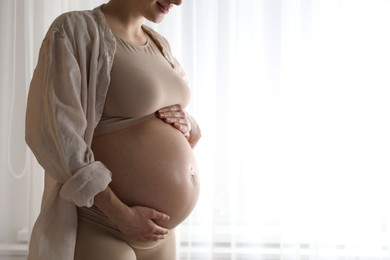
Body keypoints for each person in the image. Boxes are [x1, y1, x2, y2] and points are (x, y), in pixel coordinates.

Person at [25, 0, 201, 259]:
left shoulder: (159, 44)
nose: (178, 1)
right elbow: (56, 136)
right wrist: (122, 214)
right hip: (104, 224)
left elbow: (159, 119)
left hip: (160, 233)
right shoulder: (75, 30)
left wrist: (187, 124)